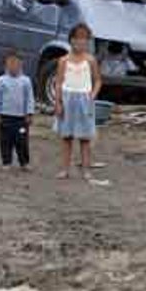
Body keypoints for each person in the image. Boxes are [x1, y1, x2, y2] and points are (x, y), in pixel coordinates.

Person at [54, 23, 102, 181]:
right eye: (76, 39)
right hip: (68, 100)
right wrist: (58, 102)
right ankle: (65, 169)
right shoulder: (63, 60)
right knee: (66, 137)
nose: (80, 43)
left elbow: (98, 81)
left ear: (87, 42)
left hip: (84, 100)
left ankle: (86, 170)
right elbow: (59, 82)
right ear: (71, 40)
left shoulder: (90, 60)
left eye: (84, 39)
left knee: (85, 138)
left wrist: (92, 96)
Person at [0, 51, 35, 170]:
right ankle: (6, 161)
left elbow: (30, 98)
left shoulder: (26, 81)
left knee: (22, 141)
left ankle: (24, 162)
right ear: (5, 64)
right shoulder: (1, 81)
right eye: (10, 62)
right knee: (5, 141)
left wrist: (29, 113)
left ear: (21, 64)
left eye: (16, 62)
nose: (13, 65)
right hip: (5, 117)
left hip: (21, 119)